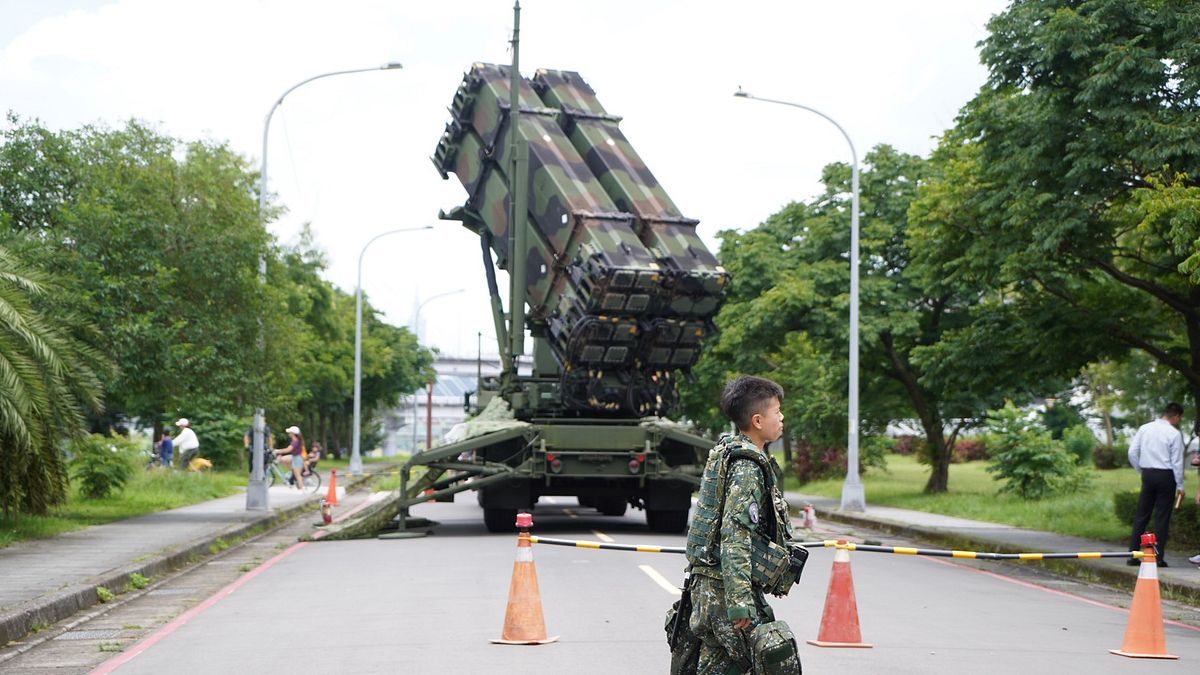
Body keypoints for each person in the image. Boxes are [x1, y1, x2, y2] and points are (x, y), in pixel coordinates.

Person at [684, 375, 797, 673]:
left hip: (710, 589)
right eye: (777, 411)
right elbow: (735, 534)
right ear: (758, 420)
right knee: (774, 657)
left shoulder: (730, 450)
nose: (782, 417)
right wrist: (740, 602)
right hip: (723, 593)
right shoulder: (747, 466)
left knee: (718, 667)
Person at [1127, 402, 1187, 567]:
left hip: (1148, 473)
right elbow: (1177, 462)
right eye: (1179, 418)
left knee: (1142, 514)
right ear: (1175, 416)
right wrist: (1180, 486)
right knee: (1162, 517)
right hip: (1166, 475)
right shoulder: (1174, 434)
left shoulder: (1145, 428)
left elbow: (1132, 452)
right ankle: (1158, 557)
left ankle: (1132, 555)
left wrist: (1142, 470)